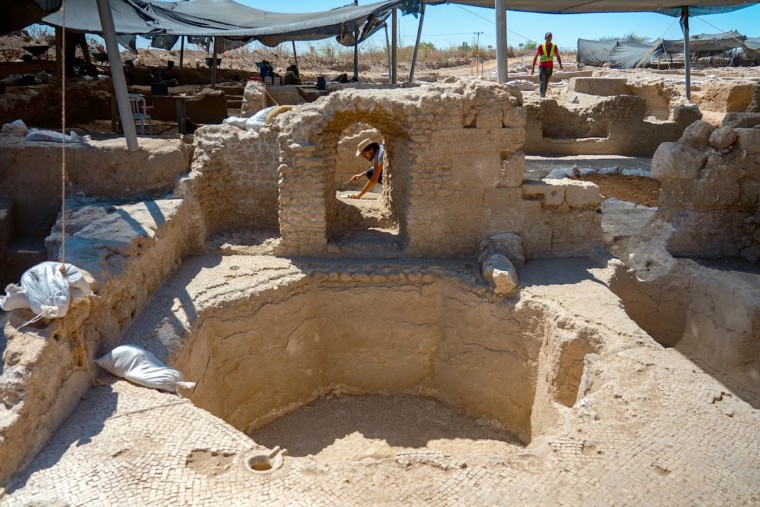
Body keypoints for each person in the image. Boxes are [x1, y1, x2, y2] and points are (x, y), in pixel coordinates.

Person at [531, 32, 563, 98]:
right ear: (545, 38)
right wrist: (533, 69)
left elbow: (557, 56)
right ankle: (541, 96)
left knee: (546, 83)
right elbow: (535, 57)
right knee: (542, 81)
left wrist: (560, 64)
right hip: (542, 67)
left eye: (550, 36)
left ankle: (543, 96)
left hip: (550, 67)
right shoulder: (541, 46)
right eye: (548, 36)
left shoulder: (554, 46)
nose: (549, 38)